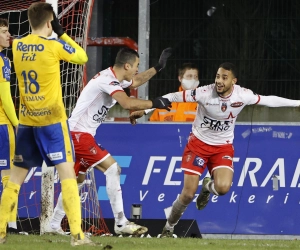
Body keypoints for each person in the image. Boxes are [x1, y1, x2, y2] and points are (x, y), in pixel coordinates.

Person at [129, 62, 300, 237]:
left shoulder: (242, 95)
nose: (219, 81)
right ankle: (169, 228)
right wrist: (145, 110)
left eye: (224, 78)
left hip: (222, 147)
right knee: (187, 194)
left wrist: (297, 103)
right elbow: (172, 97)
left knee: (224, 188)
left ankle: (207, 188)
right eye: (217, 76)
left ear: (234, 81)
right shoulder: (203, 93)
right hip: (198, 145)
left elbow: (269, 100)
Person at [46, 47, 172, 236]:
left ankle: (54, 225)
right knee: (113, 168)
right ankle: (120, 222)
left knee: (76, 181)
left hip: (77, 134)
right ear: (127, 65)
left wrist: (158, 67)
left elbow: (136, 82)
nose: (137, 69)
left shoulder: (117, 77)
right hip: (78, 135)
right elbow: (127, 103)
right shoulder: (108, 80)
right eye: (136, 65)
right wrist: (154, 103)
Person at [0, 3, 95, 246]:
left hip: (27, 122)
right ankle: (77, 236)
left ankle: (0, 232)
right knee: (67, 176)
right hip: (52, 123)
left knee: (14, 181)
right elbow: (82, 57)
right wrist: (61, 34)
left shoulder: (18, 46)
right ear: (49, 22)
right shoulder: (54, 46)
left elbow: (18, 39)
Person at [0, 18, 19, 230]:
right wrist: (17, 124)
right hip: (2, 125)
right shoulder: (3, 60)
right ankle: (9, 223)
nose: (8, 35)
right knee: (8, 174)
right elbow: (5, 97)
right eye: (4, 31)